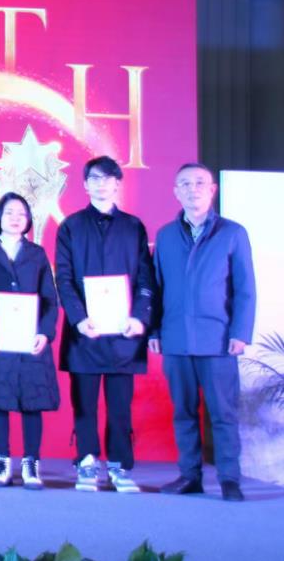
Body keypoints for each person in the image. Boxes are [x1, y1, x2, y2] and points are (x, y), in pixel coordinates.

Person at [151, 163, 256, 502]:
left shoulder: (232, 233)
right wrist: (154, 330)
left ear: (212, 190)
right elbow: (156, 287)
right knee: (183, 412)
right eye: (185, 183)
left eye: (199, 183)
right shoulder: (166, 235)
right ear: (175, 192)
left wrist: (240, 332)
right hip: (176, 339)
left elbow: (245, 289)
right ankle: (190, 476)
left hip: (219, 340)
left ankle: (229, 479)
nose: (192, 189)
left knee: (223, 414)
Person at [55, 155, 154, 493]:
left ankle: (120, 466)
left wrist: (140, 317)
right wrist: (79, 319)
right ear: (85, 185)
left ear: (117, 184)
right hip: (85, 331)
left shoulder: (134, 227)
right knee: (84, 405)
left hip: (124, 333)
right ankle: (86, 461)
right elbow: (64, 278)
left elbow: (145, 278)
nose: (101, 184)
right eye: (94, 178)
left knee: (120, 407)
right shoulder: (70, 226)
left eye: (108, 178)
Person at [0, 193, 59, 490]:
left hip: (30, 340)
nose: (16, 218)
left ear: (29, 219)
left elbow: (50, 299)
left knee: (33, 401)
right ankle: (2, 462)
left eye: (22, 213)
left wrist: (44, 333)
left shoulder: (37, 254)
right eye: (9, 212)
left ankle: (31, 463)